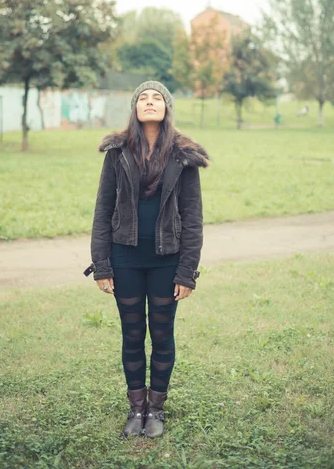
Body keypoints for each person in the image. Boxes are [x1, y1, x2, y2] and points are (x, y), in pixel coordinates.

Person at [84, 81, 210, 438]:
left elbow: (193, 217)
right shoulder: (117, 152)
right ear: (135, 107)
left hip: (166, 261)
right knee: (132, 334)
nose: (150, 102)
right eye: (143, 97)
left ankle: (156, 409)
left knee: (162, 333)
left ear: (167, 107)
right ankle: (135, 408)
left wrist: (188, 271)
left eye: (158, 98)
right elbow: (102, 209)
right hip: (124, 258)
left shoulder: (184, 156)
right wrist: (102, 264)